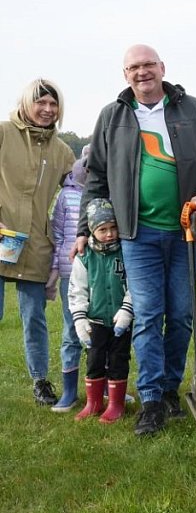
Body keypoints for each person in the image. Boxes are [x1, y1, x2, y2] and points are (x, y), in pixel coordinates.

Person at [76, 44, 196, 436]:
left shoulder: (191, 109)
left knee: (180, 315)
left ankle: (169, 390)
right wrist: (83, 229)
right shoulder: (112, 117)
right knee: (146, 315)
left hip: (186, 235)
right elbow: (95, 178)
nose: (142, 72)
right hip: (137, 235)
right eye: (133, 67)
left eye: (148, 65)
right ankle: (150, 401)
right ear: (125, 74)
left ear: (162, 67)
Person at [0, 79, 75, 405]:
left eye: (53, 104)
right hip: (2, 235)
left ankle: (40, 381)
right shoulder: (4, 133)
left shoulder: (62, 151)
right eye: (40, 102)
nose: (47, 110)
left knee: (34, 317)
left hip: (35, 245)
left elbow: (83, 184)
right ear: (26, 103)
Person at [69, 198, 134, 423]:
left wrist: (127, 310)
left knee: (119, 359)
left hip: (120, 320)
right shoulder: (85, 256)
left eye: (113, 228)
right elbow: (77, 289)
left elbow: (136, 284)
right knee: (94, 360)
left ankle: (116, 404)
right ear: (92, 231)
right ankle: (93, 402)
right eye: (102, 229)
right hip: (95, 320)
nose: (109, 234)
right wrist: (80, 319)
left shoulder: (126, 253)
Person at [48, 146, 89, 411]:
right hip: (70, 271)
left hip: (102, 272)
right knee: (72, 329)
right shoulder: (66, 196)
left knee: (103, 330)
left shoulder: (108, 191)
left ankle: (105, 386)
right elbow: (59, 235)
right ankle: (69, 392)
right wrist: (54, 271)